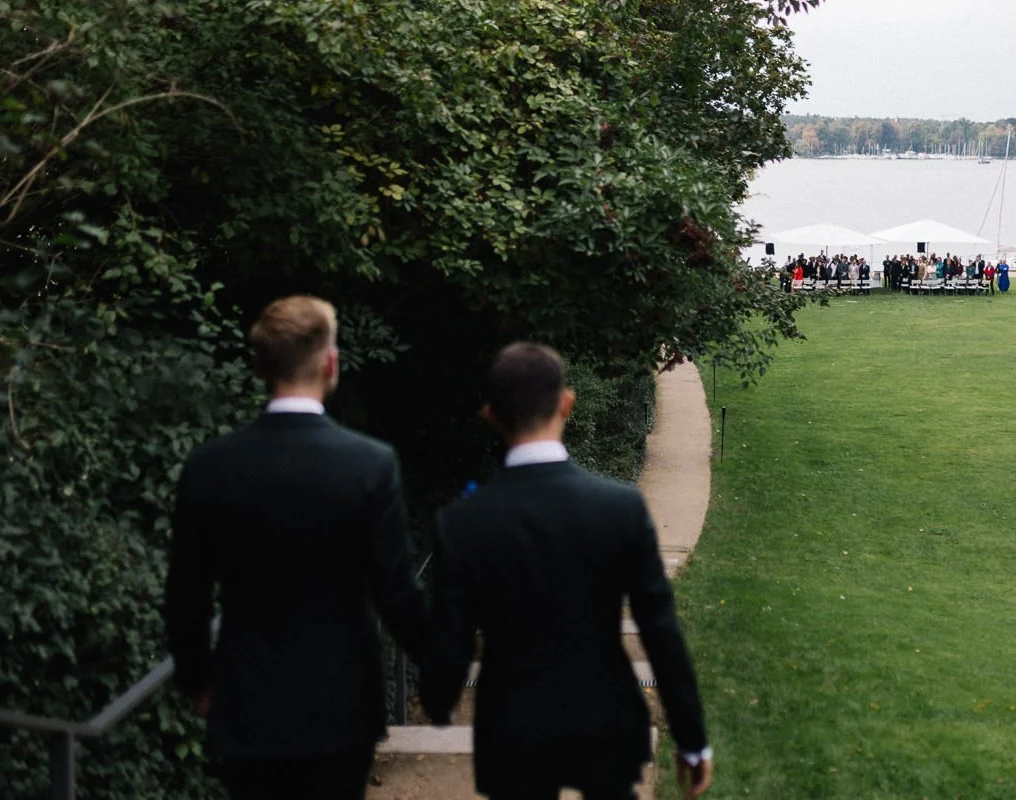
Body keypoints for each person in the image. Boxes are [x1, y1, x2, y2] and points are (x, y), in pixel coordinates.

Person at [419, 342, 712, 800]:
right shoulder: (619, 509)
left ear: (491, 415)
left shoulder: (462, 523)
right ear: (567, 404)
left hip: (511, 727)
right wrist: (691, 739)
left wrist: (440, 698)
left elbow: (450, 632)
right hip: (605, 719)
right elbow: (660, 630)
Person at [165, 295, 429, 800]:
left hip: (245, 699)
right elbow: (396, 593)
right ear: (330, 364)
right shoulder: (368, 465)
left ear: (259, 366)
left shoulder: (211, 466)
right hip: (341, 705)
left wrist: (199, 681)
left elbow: (186, 596)